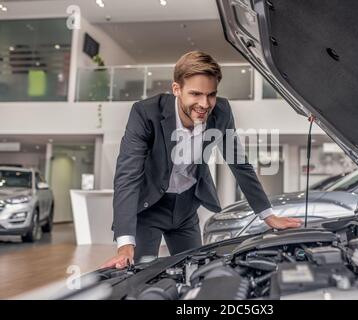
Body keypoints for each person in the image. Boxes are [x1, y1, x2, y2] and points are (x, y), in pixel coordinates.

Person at [101, 51, 302, 269]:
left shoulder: (222, 112)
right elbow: (127, 176)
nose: (205, 104)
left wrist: (268, 215)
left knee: (195, 271)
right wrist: (125, 243)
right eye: (195, 94)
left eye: (211, 95)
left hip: (186, 209)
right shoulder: (145, 113)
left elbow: (239, 164)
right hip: (149, 208)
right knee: (141, 274)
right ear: (176, 89)